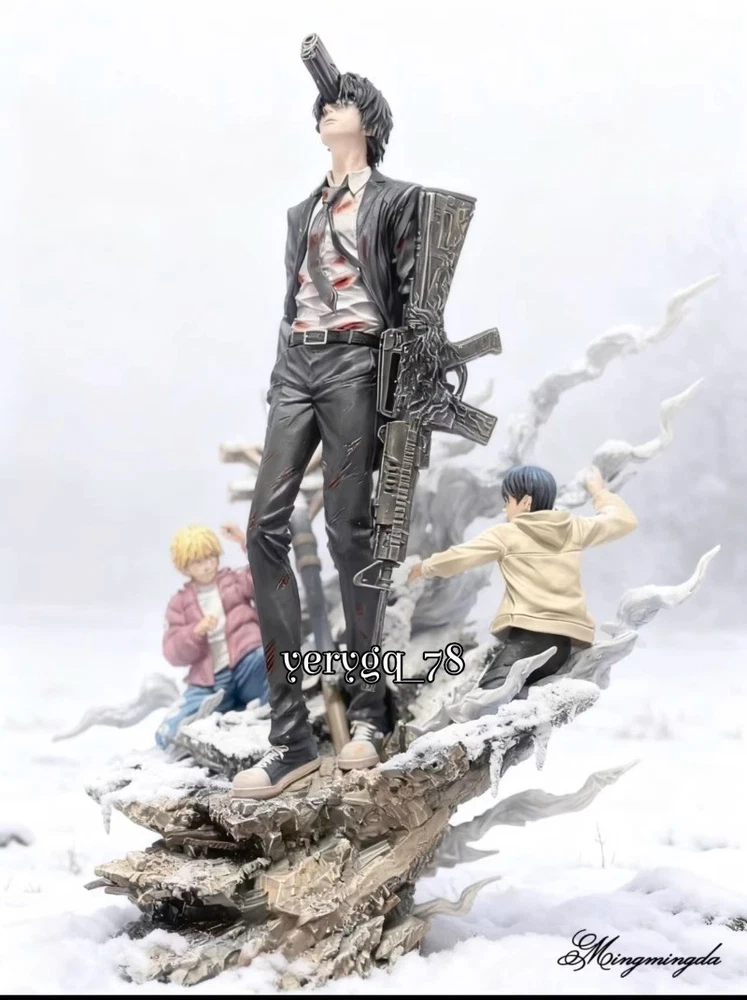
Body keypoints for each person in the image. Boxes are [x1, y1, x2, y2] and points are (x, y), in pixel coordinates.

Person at [231, 66, 422, 800]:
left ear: (368, 120)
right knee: (263, 529)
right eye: (321, 105)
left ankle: (370, 710)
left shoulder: (397, 202)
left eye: (339, 104)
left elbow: (416, 303)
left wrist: (406, 392)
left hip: (355, 364)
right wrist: (283, 367)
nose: (325, 112)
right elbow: (294, 298)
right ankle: (290, 738)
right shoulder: (299, 213)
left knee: (348, 532)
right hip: (297, 366)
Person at [407, 465, 638, 697]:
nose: (504, 508)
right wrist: (599, 492)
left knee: (486, 698)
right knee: (518, 701)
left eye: (508, 501)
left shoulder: (507, 534)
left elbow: (461, 557)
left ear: (526, 502)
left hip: (527, 640)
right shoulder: (574, 528)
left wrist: (424, 568)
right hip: (565, 645)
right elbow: (623, 520)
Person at [155, 523, 268, 749]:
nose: (207, 565)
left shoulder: (236, 581)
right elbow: (172, 650)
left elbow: (266, 575)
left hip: (247, 665)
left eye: (210, 557)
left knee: (275, 665)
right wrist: (194, 632)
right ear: (185, 566)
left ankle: (269, 722)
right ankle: (201, 739)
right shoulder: (179, 604)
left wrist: (245, 542)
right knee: (167, 732)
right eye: (197, 562)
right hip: (210, 682)